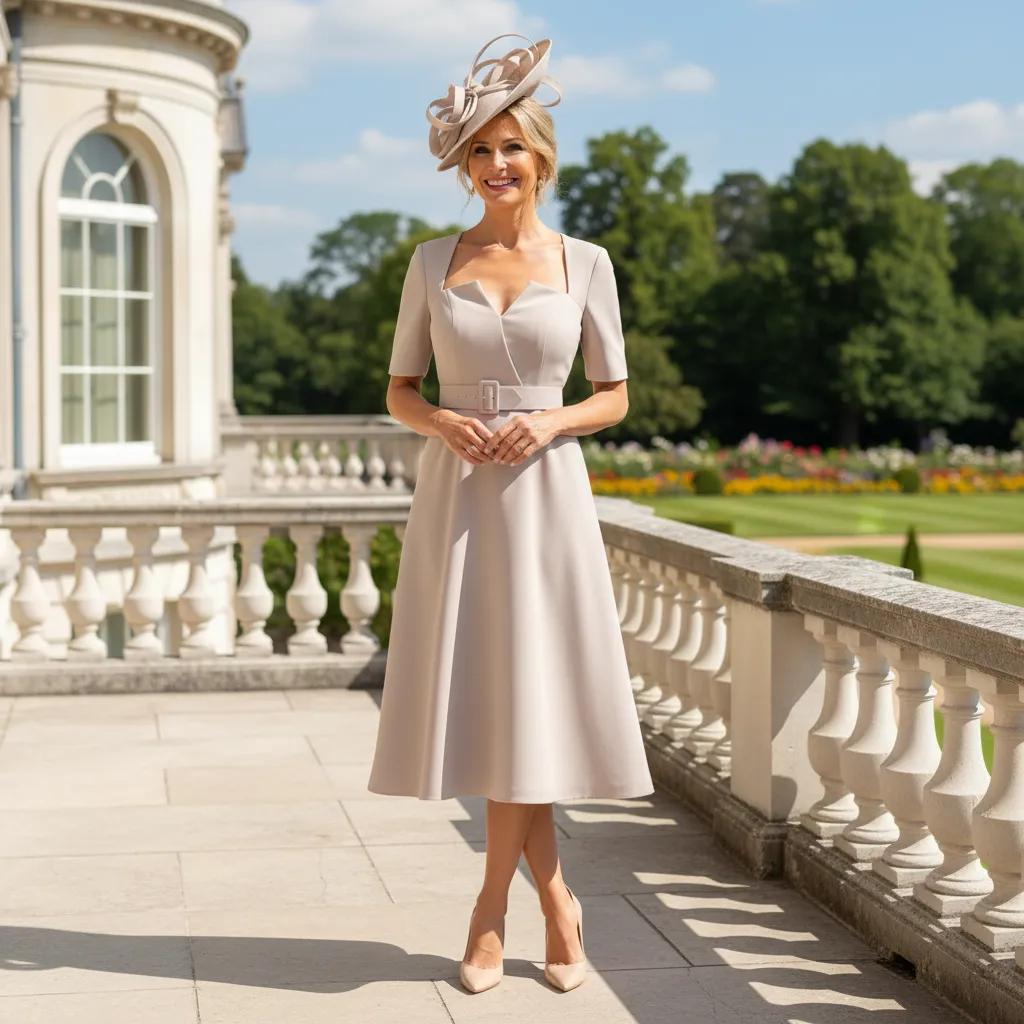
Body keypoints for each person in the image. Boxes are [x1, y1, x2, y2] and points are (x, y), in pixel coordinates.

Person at [366, 32, 654, 994]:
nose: (496, 165)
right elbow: (400, 388)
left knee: (530, 700)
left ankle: (493, 913)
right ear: (465, 164)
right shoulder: (429, 261)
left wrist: (551, 421)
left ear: (540, 159)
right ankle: (555, 904)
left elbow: (614, 393)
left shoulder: (586, 263)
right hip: (458, 499)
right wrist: (447, 423)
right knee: (495, 703)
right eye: (480, 149)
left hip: (546, 497)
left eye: (512, 148)